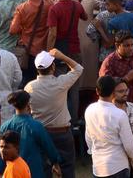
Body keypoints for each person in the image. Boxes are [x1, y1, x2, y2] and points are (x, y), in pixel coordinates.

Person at [24, 49, 82, 178]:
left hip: (41, 133)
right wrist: (63, 56)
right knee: (67, 169)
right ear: (53, 66)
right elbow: (78, 69)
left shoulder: (29, 87)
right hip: (62, 133)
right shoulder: (60, 82)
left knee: (43, 170)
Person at [0, 91, 60, 178]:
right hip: (34, 171)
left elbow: (0, 153)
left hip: (13, 172)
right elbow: (48, 146)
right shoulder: (36, 126)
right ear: (28, 104)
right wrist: (55, 162)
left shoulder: (5, 126)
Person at [84, 75, 133, 178]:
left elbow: (88, 138)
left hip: (98, 167)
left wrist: (93, 153)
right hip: (118, 166)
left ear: (97, 91)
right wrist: (132, 156)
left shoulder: (89, 110)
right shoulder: (120, 114)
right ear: (113, 93)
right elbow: (129, 146)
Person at [98, 32, 133, 115]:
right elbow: (105, 87)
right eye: (127, 46)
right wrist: (125, 78)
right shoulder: (109, 62)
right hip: (118, 111)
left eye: (132, 45)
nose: (131, 48)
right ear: (117, 46)